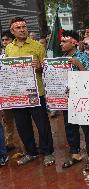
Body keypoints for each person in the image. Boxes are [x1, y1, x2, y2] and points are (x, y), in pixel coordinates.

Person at [5, 17, 55, 166]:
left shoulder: (37, 46)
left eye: (24, 27)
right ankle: (31, 152)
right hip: (17, 94)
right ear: (13, 31)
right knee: (22, 125)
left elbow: (47, 68)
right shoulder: (9, 48)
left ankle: (48, 153)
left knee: (42, 125)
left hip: (36, 92)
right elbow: (7, 69)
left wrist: (39, 66)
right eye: (18, 28)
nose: (22, 30)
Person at [60, 30, 89, 171]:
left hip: (83, 99)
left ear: (74, 42)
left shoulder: (83, 57)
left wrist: (78, 64)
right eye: (61, 41)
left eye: (64, 41)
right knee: (70, 127)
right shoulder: (61, 58)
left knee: (87, 128)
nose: (61, 43)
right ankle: (75, 154)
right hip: (67, 99)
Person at [0, 30, 16, 153]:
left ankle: (9, 142)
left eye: (7, 39)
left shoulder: (16, 56)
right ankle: (6, 142)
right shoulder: (1, 56)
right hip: (2, 92)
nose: (5, 42)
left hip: (14, 92)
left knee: (11, 119)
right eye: (3, 40)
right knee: (4, 119)